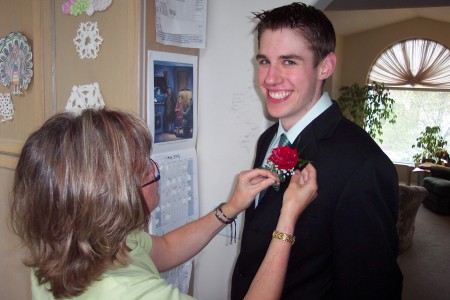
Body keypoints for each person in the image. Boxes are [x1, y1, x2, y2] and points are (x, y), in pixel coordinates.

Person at [10, 107, 318, 299]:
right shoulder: (127, 293)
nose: (155, 171)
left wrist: (231, 207)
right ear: (111, 196)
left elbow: (167, 248)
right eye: (144, 169)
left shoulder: (70, 247)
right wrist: (286, 219)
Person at [231, 2, 403, 299]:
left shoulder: (362, 165)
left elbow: (373, 287)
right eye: (264, 61)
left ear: (325, 66)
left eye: (289, 62)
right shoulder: (269, 139)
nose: (270, 79)